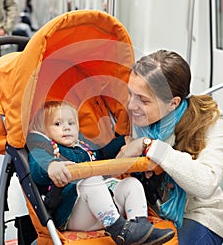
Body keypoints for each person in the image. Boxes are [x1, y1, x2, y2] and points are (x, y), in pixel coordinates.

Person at [118, 49, 223, 244]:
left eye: (143, 100)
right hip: (150, 205)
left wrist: (151, 146)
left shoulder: (209, 120)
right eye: (130, 94)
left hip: (198, 212)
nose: (131, 105)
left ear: (173, 103)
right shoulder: (136, 115)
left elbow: (206, 184)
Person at [27, 100, 175, 245]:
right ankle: (121, 232)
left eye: (71, 123)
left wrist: (123, 141)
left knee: (131, 183)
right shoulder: (46, 149)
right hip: (72, 214)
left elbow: (103, 153)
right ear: (44, 130)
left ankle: (140, 227)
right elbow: (37, 167)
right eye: (58, 124)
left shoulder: (83, 148)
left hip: (103, 210)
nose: (66, 128)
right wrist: (52, 166)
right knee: (91, 181)